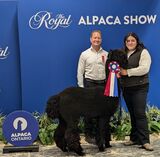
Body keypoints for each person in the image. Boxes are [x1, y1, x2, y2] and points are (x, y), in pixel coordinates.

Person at [120, 32, 153, 151]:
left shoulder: (143, 52)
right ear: (125, 42)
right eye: (127, 41)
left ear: (137, 41)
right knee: (133, 114)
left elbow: (144, 69)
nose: (130, 43)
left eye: (132, 40)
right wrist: (118, 73)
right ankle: (134, 138)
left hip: (140, 87)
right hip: (127, 88)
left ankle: (145, 141)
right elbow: (118, 68)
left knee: (139, 113)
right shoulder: (123, 53)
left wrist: (127, 72)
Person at [77, 30, 108, 143]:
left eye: (99, 38)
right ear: (90, 39)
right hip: (90, 84)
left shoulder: (106, 54)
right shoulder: (84, 54)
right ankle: (88, 135)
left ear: (101, 39)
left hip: (103, 85)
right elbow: (80, 72)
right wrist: (81, 88)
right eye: (95, 37)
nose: (97, 39)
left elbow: (109, 71)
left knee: (102, 111)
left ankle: (101, 135)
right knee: (89, 111)